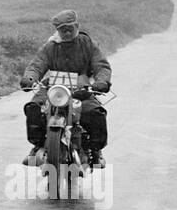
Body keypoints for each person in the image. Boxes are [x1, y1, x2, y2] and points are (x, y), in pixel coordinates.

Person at [19, 9, 111, 165]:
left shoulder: (88, 45)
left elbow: (101, 66)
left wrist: (102, 82)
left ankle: (95, 151)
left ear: (77, 26)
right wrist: (29, 78)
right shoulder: (50, 47)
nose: (67, 32)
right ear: (57, 30)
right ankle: (38, 146)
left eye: (70, 28)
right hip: (53, 90)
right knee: (34, 107)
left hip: (81, 92)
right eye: (62, 29)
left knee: (96, 113)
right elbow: (36, 65)